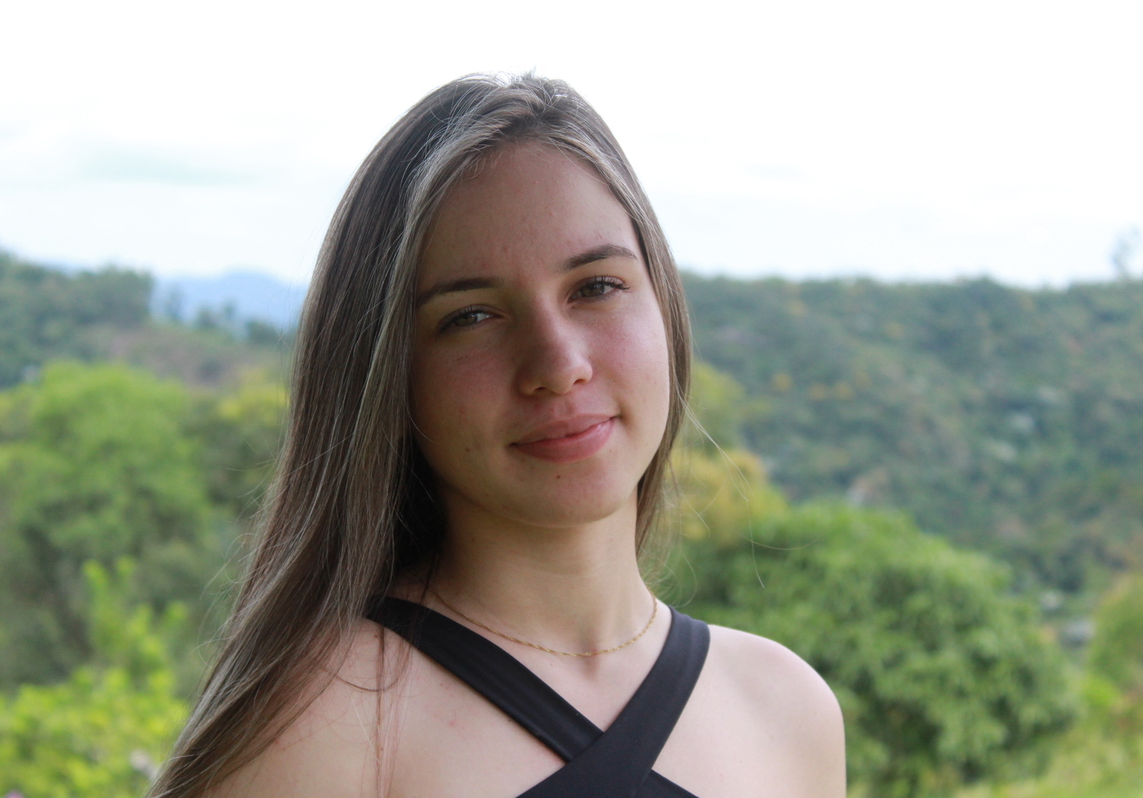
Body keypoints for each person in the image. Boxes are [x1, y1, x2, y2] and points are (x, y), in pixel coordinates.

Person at [149, 73, 846, 798]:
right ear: (389, 375)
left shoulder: (786, 713)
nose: (558, 366)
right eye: (472, 316)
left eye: (596, 286)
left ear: (664, 303)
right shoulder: (321, 724)